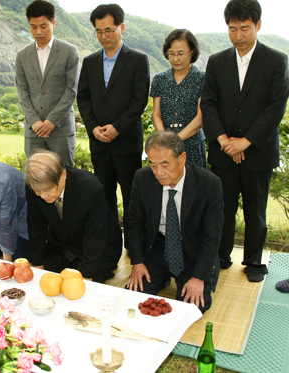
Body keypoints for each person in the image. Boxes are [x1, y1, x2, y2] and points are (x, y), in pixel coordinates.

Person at [201, 0, 289, 282]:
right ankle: (221, 256)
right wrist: (226, 141)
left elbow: (276, 107)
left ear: (258, 26)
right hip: (224, 149)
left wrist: (246, 141)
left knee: (256, 209)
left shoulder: (277, 60)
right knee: (221, 208)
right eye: (232, 29)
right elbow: (210, 104)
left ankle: (253, 261)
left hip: (258, 150)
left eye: (245, 28)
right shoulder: (217, 61)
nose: (238, 36)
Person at [77, 4, 150, 250]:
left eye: (108, 30)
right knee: (103, 196)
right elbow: (83, 98)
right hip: (99, 142)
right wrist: (93, 127)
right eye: (98, 31)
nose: (104, 36)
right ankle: (109, 247)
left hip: (126, 141)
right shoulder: (89, 61)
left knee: (132, 197)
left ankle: (134, 247)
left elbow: (139, 100)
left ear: (121, 27)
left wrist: (117, 127)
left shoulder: (138, 60)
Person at [126, 132, 223, 313]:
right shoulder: (143, 178)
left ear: (182, 158)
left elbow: (212, 236)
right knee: (133, 298)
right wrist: (137, 262)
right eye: (153, 165)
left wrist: (199, 278)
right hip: (157, 248)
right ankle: (162, 277)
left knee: (192, 308)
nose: (159, 173)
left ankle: (182, 278)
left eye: (165, 165)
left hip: (192, 251)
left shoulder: (208, 184)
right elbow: (134, 223)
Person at [24, 150, 122, 283]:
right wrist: (37, 264)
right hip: (62, 245)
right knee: (45, 280)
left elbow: (95, 236)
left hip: (98, 247)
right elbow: (36, 226)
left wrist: (87, 277)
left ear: (63, 175)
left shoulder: (89, 189)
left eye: (47, 190)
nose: (41, 195)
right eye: (37, 191)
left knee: (79, 286)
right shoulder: (35, 186)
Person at [15, 0, 80, 168]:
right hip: (33, 131)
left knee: (65, 176)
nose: (38, 32)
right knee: (35, 178)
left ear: (54, 23)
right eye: (33, 26)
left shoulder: (69, 51)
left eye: (43, 26)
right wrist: (34, 121)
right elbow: (22, 91)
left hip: (60, 130)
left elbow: (71, 90)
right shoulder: (22, 55)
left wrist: (52, 120)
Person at [150, 29, 207, 168]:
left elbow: (201, 117)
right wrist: (163, 138)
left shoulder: (202, 78)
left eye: (181, 53)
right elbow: (156, 114)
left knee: (193, 185)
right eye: (171, 54)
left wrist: (175, 140)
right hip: (163, 144)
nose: (175, 59)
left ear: (192, 51)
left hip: (192, 143)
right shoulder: (159, 79)